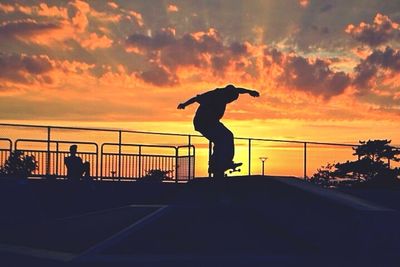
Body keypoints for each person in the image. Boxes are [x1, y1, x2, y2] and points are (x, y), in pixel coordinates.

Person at [178, 84, 260, 176]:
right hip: (203, 122)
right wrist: (184, 104)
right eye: (230, 99)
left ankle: (217, 164)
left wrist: (250, 91)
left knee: (222, 139)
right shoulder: (214, 95)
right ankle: (222, 163)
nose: (230, 101)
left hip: (212, 122)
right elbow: (196, 99)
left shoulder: (227, 92)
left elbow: (239, 90)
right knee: (225, 137)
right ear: (227, 95)